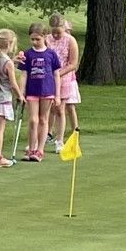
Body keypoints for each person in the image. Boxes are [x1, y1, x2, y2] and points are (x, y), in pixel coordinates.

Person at [17, 22, 63, 162]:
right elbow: (24, 75)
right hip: (32, 91)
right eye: (32, 39)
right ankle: (31, 148)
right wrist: (21, 92)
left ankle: (40, 151)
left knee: (43, 119)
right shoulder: (27, 54)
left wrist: (58, 95)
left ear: (44, 37)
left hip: (47, 91)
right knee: (33, 120)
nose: (35, 42)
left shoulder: (51, 54)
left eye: (38, 39)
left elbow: (56, 75)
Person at [0, 28, 25, 167]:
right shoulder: (8, 63)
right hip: (4, 97)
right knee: (0, 129)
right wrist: (20, 96)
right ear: (10, 44)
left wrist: (12, 61)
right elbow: (13, 83)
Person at [45, 13, 81, 150]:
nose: (55, 35)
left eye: (58, 32)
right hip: (48, 79)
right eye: (53, 32)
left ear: (63, 28)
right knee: (48, 109)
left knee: (60, 109)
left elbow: (73, 64)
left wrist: (58, 74)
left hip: (64, 78)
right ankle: (45, 136)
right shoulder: (47, 39)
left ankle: (59, 141)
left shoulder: (70, 40)